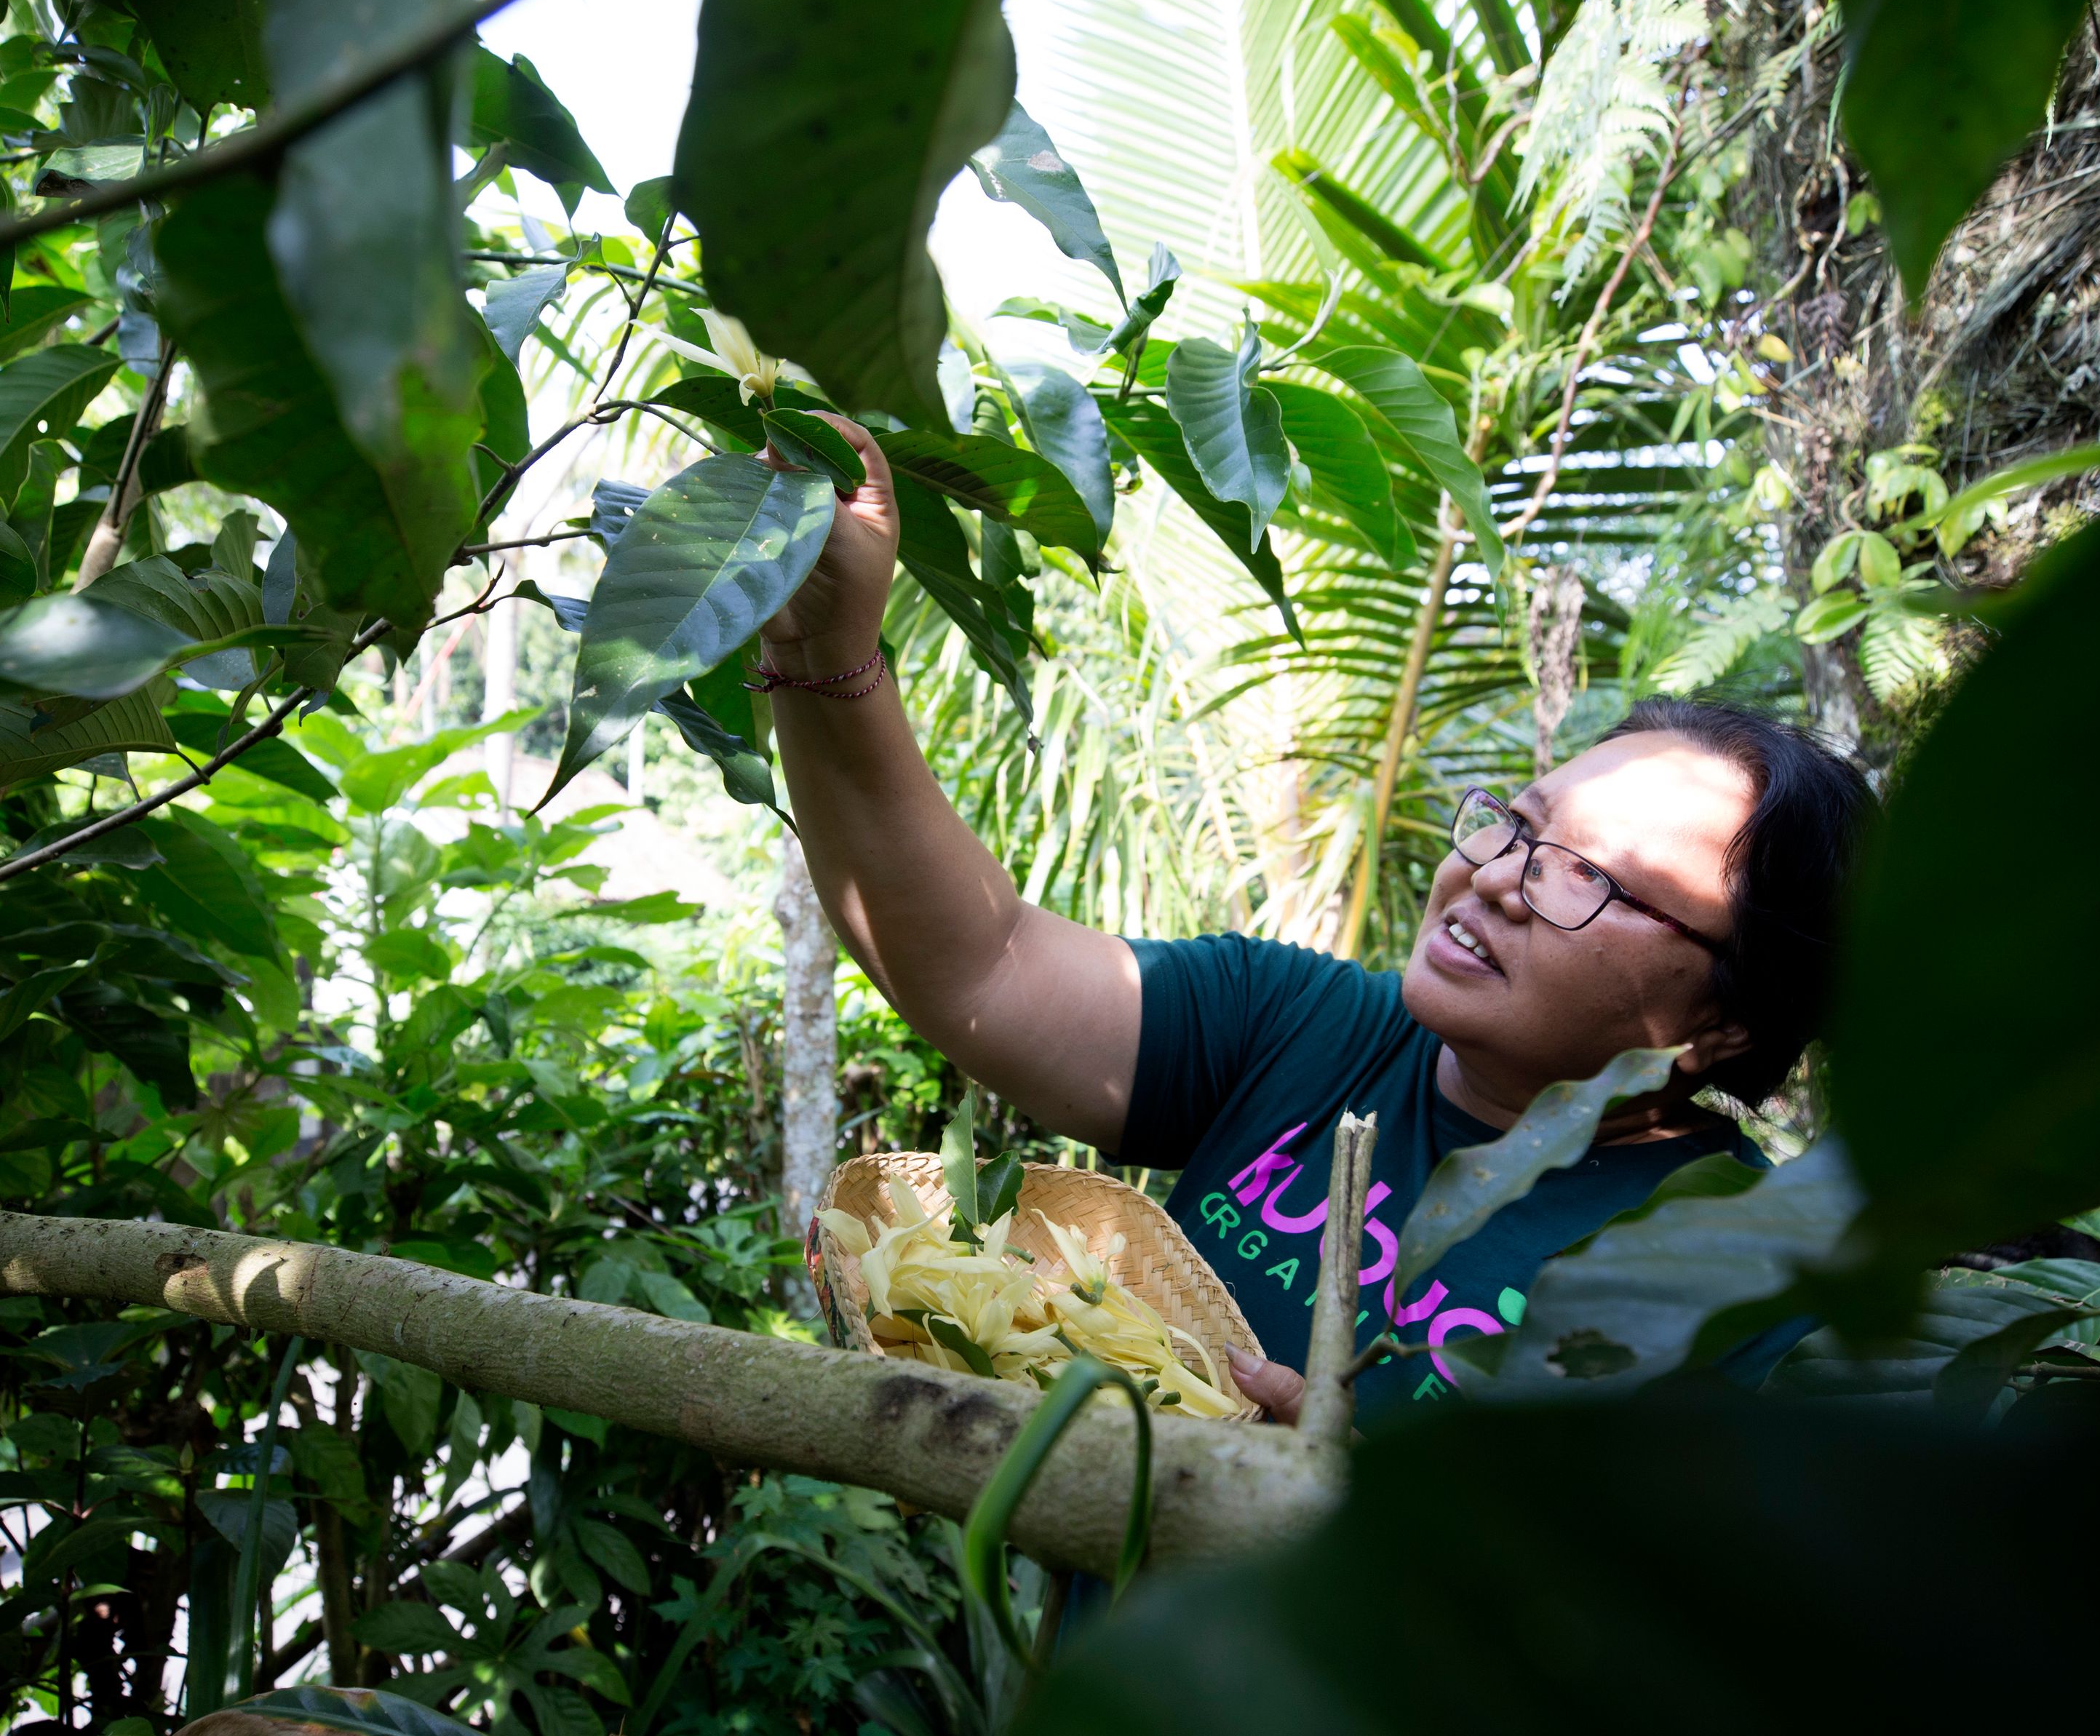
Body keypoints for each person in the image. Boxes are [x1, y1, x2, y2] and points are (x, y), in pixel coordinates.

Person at [757, 418, 1874, 1419]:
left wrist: (1370, 1539)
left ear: (1726, 1022)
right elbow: (985, 967)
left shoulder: (1752, 1293)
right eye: (1516, 826)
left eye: (1586, 876)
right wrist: (825, 651)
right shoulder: (1306, 1028)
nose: (1493, 876)